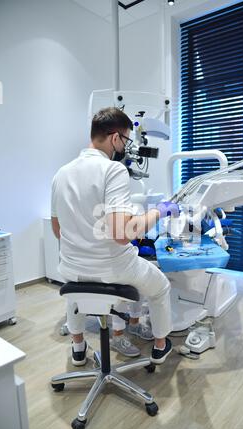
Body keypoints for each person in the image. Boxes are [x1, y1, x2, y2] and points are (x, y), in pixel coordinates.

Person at [51, 107, 179, 366]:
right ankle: (160, 346)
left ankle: (78, 348)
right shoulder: (113, 170)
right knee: (161, 287)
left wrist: (85, 242)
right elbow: (123, 234)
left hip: (72, 266)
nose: (125, 147)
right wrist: (160, 211)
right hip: (114, 268)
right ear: (115, 138)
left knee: (77, 293)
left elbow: (58, 230)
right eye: (126, 140)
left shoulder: (60, 174)